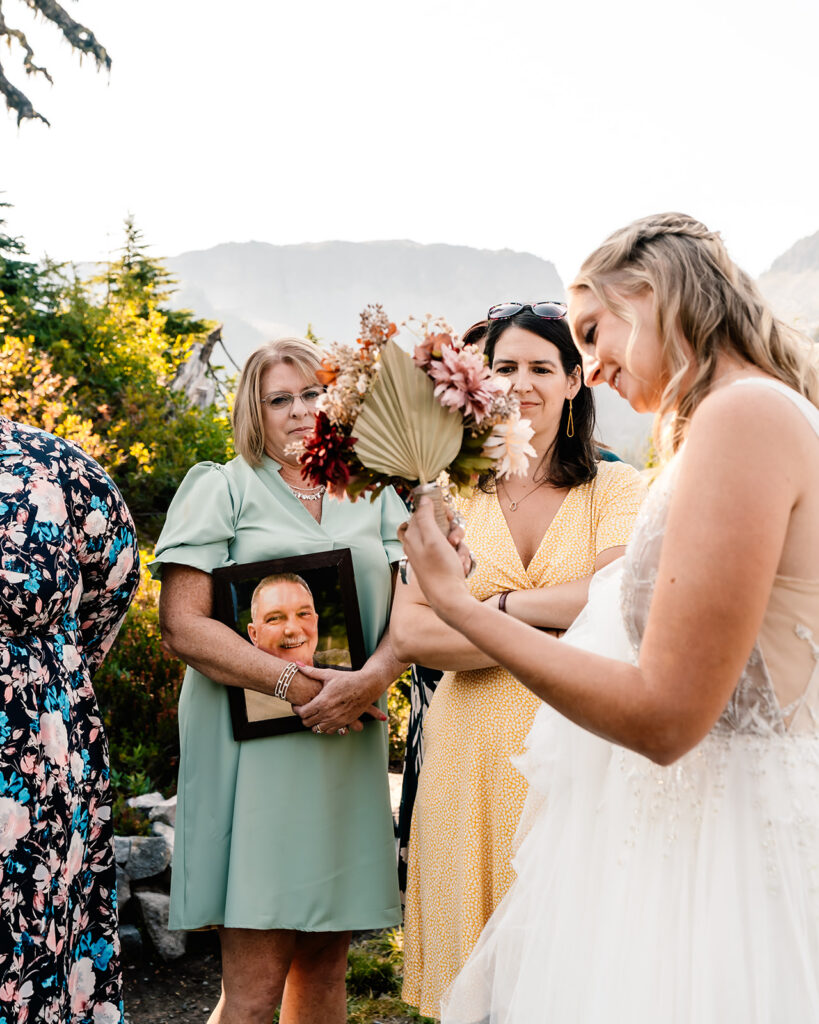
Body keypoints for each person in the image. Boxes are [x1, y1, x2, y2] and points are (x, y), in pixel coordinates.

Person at [400, 213, 819, 1023]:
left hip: (716, 859)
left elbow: (665, 716)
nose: (591, 367)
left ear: (652, 294)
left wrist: (462, 607)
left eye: (592, 333)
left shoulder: (743, 418)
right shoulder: (747, 419)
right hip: (686, 838)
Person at [391, 305, 647, 1017]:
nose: (522, 382)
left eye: (542, 367)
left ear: (574, 380)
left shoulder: (614, 487)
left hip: (577, 749)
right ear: (483, 380)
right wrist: (551, 612)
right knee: (470, 980)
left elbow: (616, 599)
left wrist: (486, 609)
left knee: (570, 971)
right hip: (463, 754)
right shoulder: (444, 493)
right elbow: (411, 632)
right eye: (505, 367)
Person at [151, 337, 407, 1024]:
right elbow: (183, 625)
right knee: (256, 984)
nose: (300, 412)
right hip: (253, 756)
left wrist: (374, 677)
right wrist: (302, 687)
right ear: (253, 413)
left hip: (345, 738)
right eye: (280, 399)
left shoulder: (376, 489)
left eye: (313, 394)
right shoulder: (221, 485)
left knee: (324, 969)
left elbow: (414, 610)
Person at [0, 418, 140, 1021]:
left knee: (26, 960)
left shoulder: (50, 464)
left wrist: (43, 677)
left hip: (28, 780)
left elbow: (113, 584)